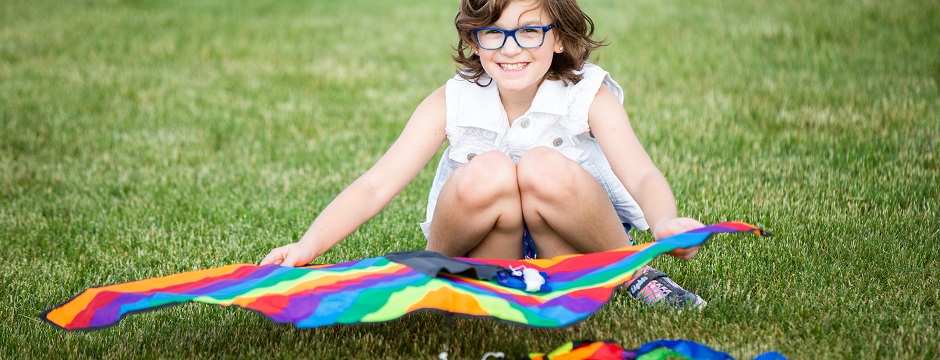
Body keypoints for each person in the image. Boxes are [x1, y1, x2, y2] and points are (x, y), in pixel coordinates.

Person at [261, 0, 706, 309]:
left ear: (559, 38)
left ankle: (636, 275)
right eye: (494, 33)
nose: (511, 48)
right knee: (488, 170)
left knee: (542, 167)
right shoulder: (452, 101)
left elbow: (642, 174)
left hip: (573, 247)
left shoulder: (587, 94)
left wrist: (664, 222)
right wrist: (307, 246)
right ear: (474, 40)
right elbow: (377, 184)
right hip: (485, 254)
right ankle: (441, 283)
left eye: (529, 30)